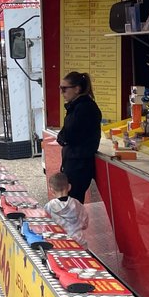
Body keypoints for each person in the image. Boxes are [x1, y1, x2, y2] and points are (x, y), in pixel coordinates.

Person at [57, 71, 102, 203]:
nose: (62, 93)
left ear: (77, 89)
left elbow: (67, 135)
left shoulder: (83, 108)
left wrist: (62, 138)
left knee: (71, 204)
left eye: (64, 89)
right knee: (71, 203)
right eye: (61, 88)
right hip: (76, 161)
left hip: (78, 164)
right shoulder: (79, 106)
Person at [44, 172, 89, 237]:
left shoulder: (49, 206)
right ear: (69, 187)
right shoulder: (77, 204)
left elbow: (46, 225)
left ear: (51, 190)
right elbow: (85, 225)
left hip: (61, 243)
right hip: (80, 243)